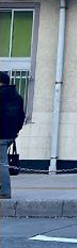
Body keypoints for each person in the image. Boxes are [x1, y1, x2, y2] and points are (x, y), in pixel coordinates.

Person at [0, 71, 24, 199]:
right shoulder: (17, 97)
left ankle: (5, 191)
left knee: (2, 163)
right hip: (10, 135)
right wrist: (15, 131)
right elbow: (21, 117)